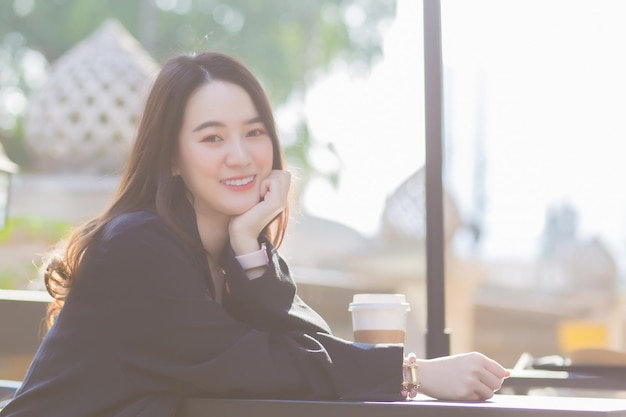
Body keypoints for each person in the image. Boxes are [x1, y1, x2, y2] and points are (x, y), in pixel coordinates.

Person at [0, 51, 508, 417]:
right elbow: (253, 362)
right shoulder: (138, 247)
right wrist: (413, 374)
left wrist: (248, 244)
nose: (240, 156)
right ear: (173, 158)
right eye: (212, 137)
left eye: (254, 131)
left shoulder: (228, 250)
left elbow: (305, 343)